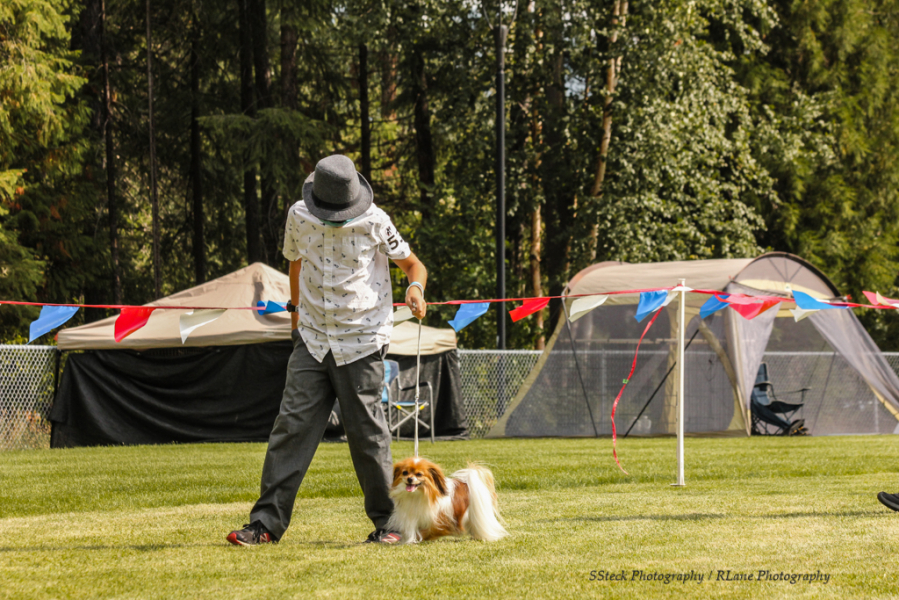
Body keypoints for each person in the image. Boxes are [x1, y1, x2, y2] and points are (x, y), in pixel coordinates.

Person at [227, 154, 427, 546]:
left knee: (368, 436)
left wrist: (415, 289)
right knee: (290, 428)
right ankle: (265, 524)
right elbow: (296, 263)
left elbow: (413, 266)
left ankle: (390, 525)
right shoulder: (298, 215)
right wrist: (296, 321)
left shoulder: (376, 221)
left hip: (363, 340)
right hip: (313, 339)